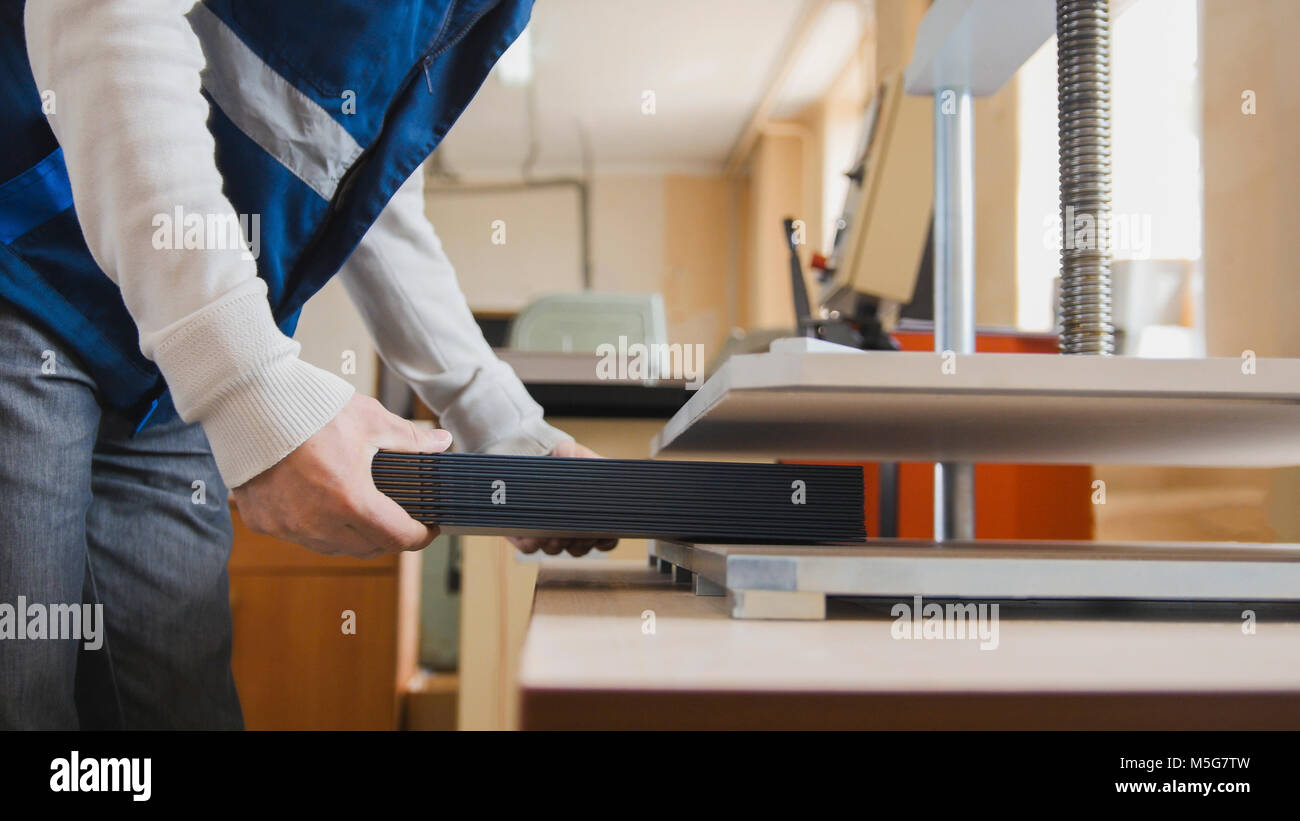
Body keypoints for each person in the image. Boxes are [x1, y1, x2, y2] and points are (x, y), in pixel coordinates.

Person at [0, 0, 612, 730]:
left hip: (160, 375)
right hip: (25, 261)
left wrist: (505, 425)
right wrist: (244, 381)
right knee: (22, 692)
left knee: (178, 704)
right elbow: (102, 10)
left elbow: (363, 189)